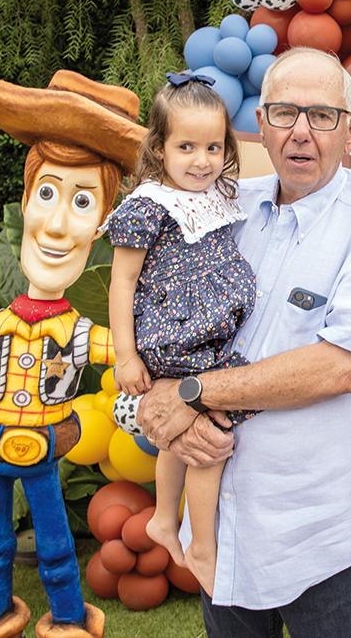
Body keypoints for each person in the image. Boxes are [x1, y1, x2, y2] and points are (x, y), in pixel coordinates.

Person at [112, 47, 351, 637]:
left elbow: (342, 367)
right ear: (260, 124)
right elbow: (147, 302)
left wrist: (193, 394)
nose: (301, 132)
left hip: (320, 537)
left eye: (322, 115)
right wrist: (154, 399)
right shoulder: (221, 208)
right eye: (283, 112)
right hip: (224, 532)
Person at [0, 70, 145, 638]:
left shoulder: (87, 338)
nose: (58, 223)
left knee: (56, 544)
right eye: (47, 193)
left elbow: (143, 360)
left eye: (82, 201)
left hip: (41, 453)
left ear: (103, 227)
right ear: (25, 198)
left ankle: (67, 619)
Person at [104, 72, 256, 597]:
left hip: (211, 336)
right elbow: (122, 282)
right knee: (210, 439)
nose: (201, 160)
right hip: (179, 334)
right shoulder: (149, 204)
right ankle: (203, 547)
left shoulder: (217, 196)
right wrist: (125, 354)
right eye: (185, 146)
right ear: (159, 148)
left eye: (213, 147)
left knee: (179, 435)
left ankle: (164, 519)